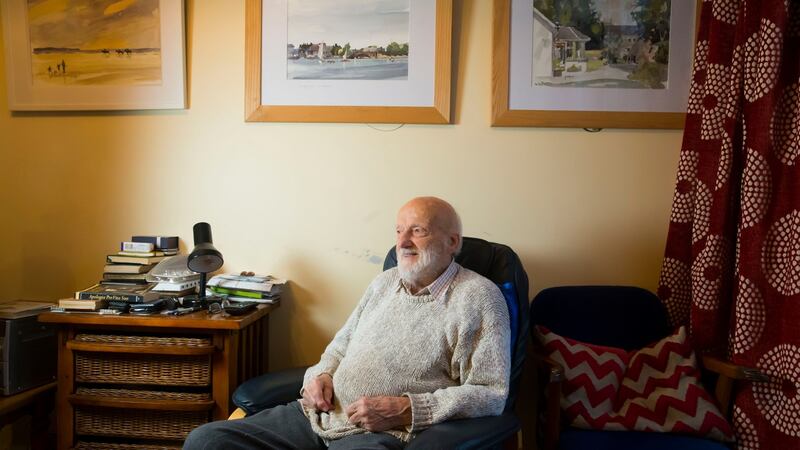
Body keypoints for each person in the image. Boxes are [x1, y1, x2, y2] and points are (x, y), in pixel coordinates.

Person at [183, 197, 511, 449]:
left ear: (452, 242)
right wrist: (318, 377)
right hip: (316, 415)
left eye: (418, 231)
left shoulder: (478, 297)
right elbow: (339, 347)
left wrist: (406, 409)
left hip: (378, 432)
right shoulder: (383, 284)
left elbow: (490, 393)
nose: (403, 242)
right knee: (206, 441)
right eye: (399, 231)